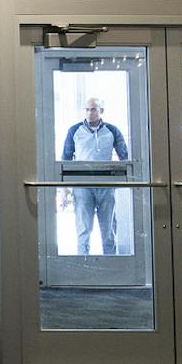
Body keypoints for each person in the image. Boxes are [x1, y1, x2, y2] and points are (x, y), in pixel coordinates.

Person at [60, 97, 130, 256]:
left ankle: (111, 264)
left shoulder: (112, 131)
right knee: (83, 228)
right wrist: (64, 190)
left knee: (109, 229)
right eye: (87, 109)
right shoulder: (74, 131)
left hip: (106, 185)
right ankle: (83, 264)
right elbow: (65, 161)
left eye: (93, 109)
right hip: (82, 186)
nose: (89, 113)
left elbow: (124, 158)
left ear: (101, 111)